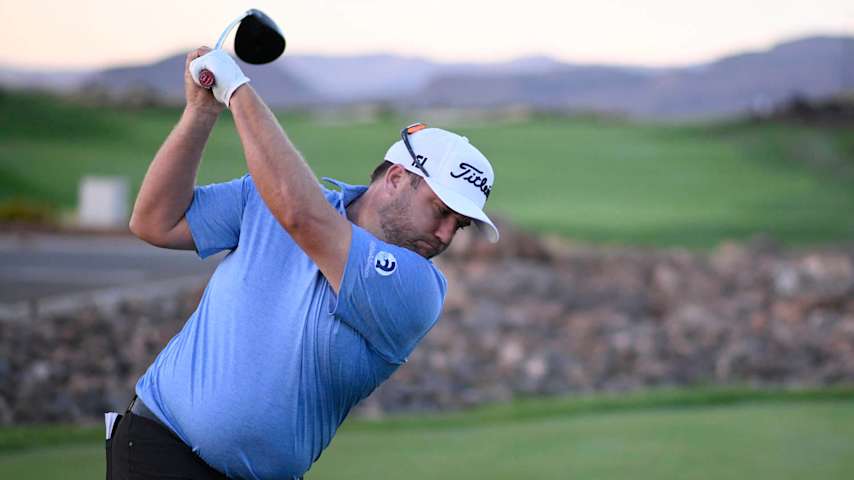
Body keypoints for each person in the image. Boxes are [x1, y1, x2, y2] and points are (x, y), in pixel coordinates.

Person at [108, 46, 498, 480]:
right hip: (158, 450)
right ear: (396, 178)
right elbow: (154, 222)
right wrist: (201, 112)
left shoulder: (419, 288)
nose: (446, 235)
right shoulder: (264, 198)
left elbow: (301, 217)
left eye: (460, 226)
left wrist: (235, 88)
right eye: (441, 211)